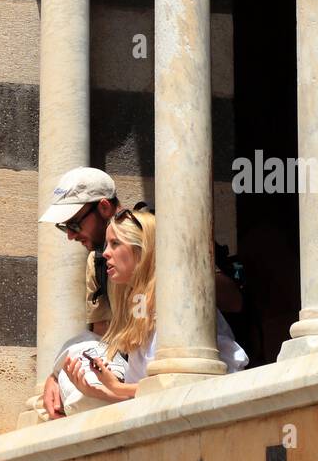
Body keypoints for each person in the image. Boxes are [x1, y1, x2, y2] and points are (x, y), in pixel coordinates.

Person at [38, 167, 244, 419]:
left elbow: (184, 381)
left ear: (103, 207)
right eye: (64, 227)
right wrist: (57, 374)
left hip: (198, 389)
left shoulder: (166, 248)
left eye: (74, 223)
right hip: (141, 386)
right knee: (77, 356)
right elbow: (103, 338)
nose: (70, 235)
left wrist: (180, 272)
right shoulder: (99, 264)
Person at [63, 207, 248, 403]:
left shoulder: (177, 299)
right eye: (107, 244)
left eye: (115, 243)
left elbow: (186, 383)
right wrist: (98, 391)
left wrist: (117, 387)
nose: (106, 253)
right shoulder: (138, 306)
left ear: (143, 250)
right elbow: (147, 395)